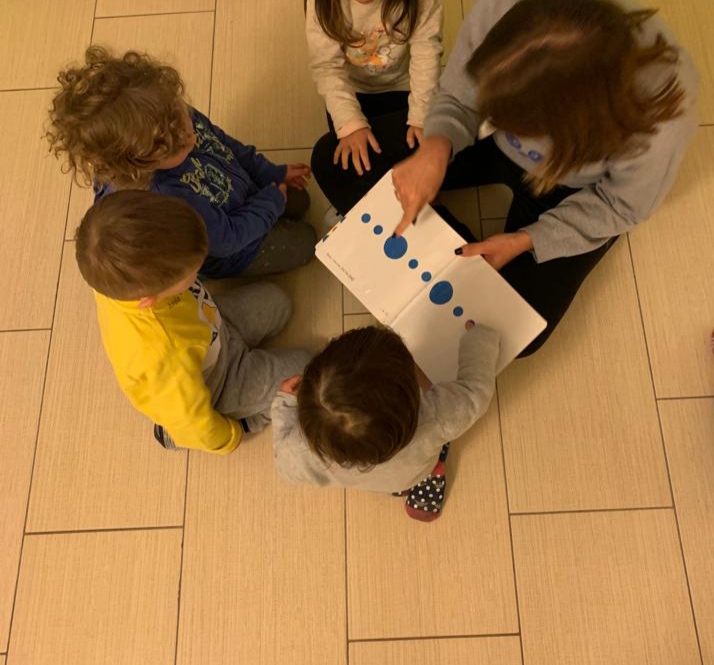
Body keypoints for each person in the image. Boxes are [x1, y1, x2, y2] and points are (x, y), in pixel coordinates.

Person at [392, 0, 698, 354]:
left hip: (573, 190)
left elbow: (621, 206)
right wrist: (436, 146)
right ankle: (445, 241)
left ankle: (450, 246)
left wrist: (527, 240)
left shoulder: (661, 111)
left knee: (516, 331)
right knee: (349, 164)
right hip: (490, 143)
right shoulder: (501, 8)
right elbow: (460, 97)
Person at [48, 46, 316, 279]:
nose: (192, 136)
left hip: (237, 199)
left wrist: (272, 173)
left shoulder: (174, 119)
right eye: (176, 146)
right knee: (307, 243)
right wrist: (271, 202)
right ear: (138, 165)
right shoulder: (167, 199)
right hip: (232, 250)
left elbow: (227, 146)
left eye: (183, 115)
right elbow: (228, 240)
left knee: (301, 201)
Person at [75, 190, 311, 453]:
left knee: (277, 301)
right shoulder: (164, 357)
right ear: (149, 299)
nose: (199, 269)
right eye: (193, 271)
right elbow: (195, 427)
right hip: (217, 383)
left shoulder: (117, 276)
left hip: (213, 327)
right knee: (307, 369)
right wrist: (230, 436)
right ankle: (242, 423)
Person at [271, 322, 499, 521]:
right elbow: (475, 393)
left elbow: (284, 464)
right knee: (430, 459)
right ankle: (429, 476)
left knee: (393, 482)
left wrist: (284, 403)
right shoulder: (436, 416)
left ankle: (404, 488)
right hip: (415, 470)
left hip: (378, 482)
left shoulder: (303, 452)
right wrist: (479, 339)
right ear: (411, 393)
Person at [307, 0, 443, 217]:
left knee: (415, 156)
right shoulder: (323, 5)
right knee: (347, 161)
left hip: (403, 88)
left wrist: (420, 115)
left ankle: (422, 211)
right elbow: (327, 66)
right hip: (351, 91)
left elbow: (426, 52)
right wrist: (350, 123)